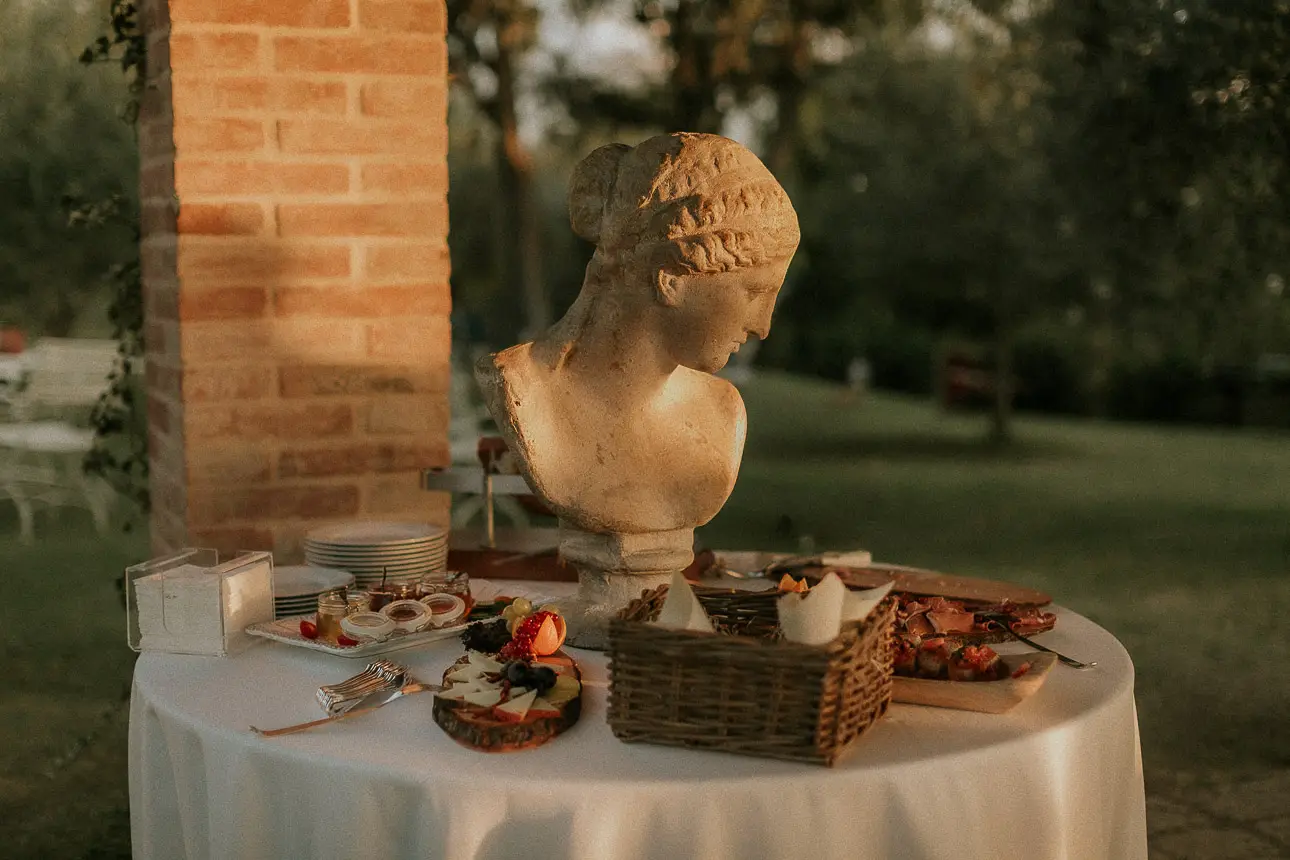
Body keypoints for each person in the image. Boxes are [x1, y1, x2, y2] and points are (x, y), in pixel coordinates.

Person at [477, 133, 800, 540]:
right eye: (754, 293)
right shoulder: (523, 390)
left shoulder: (722, 414)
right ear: (672, 279)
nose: (763, 326)